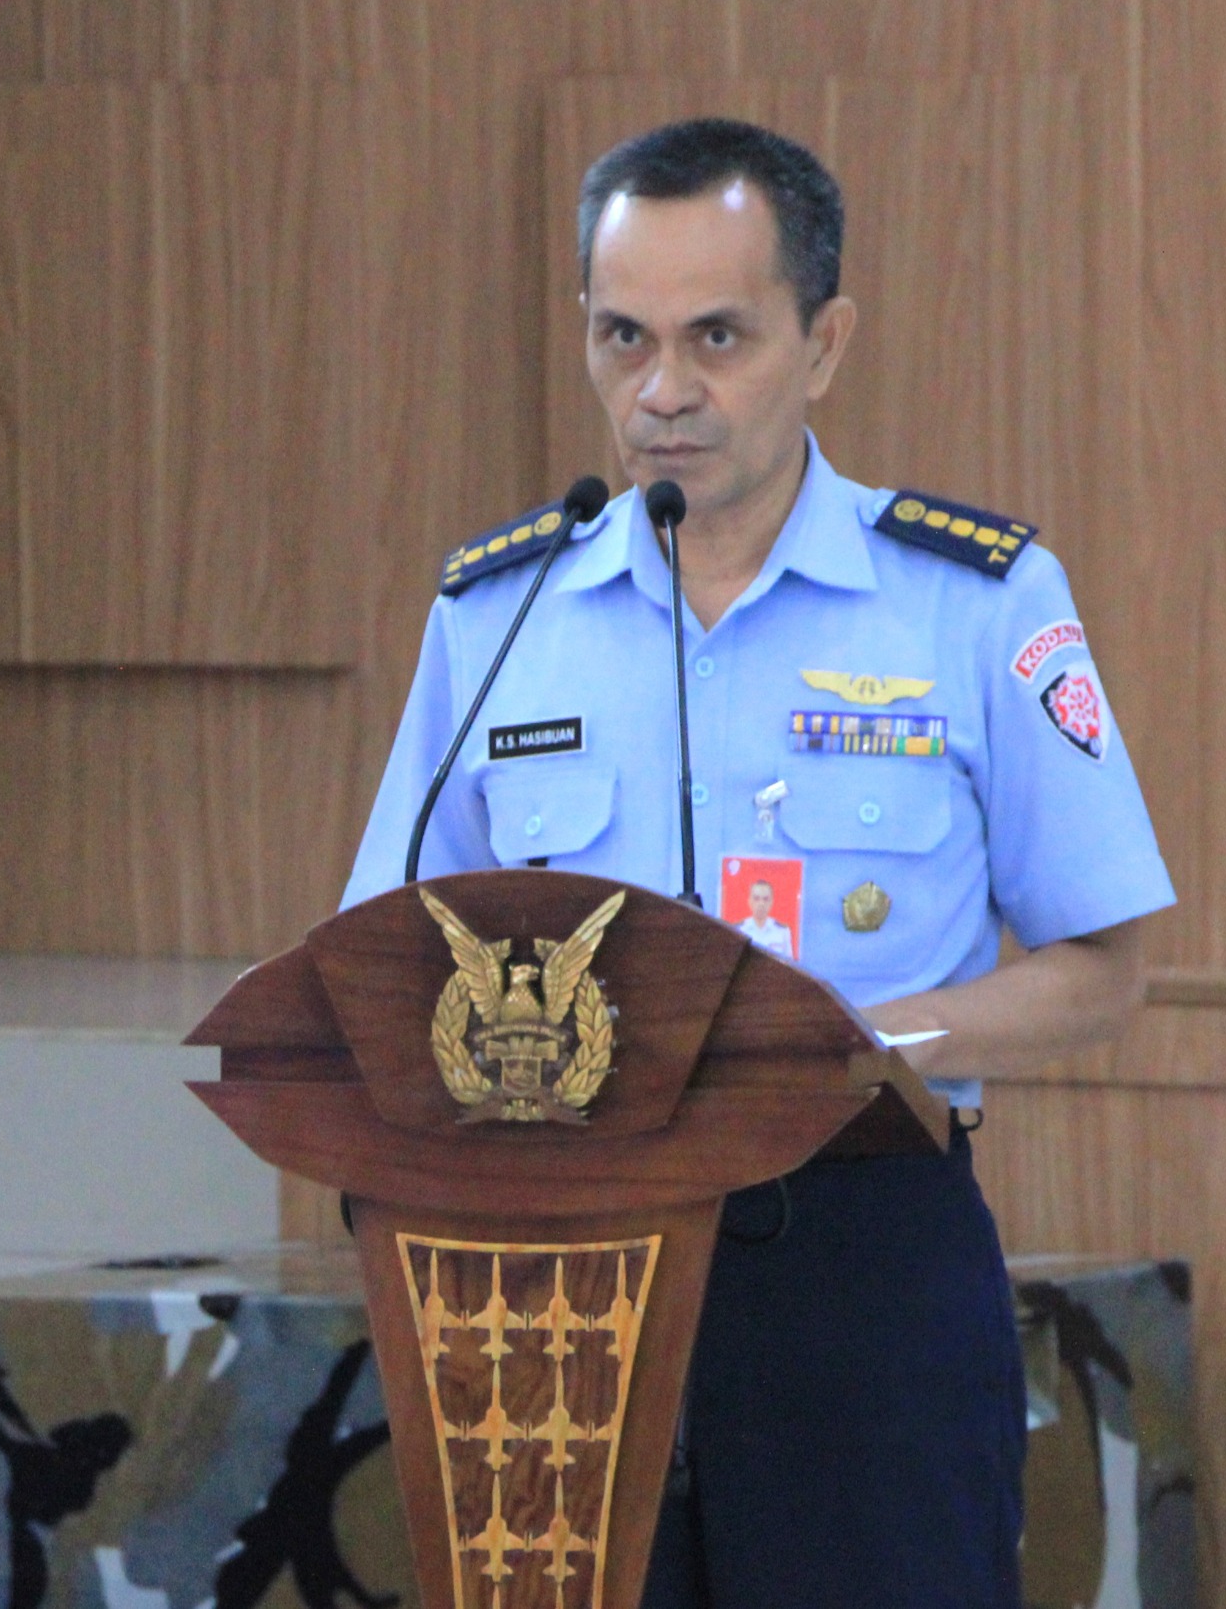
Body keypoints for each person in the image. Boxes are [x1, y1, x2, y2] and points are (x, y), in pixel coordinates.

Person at [341, 118, 1174, 1608]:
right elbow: (385, 956)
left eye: (715, 337)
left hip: (856, 1260)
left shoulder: (970, 601)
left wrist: (864, 1038)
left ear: (824, 343)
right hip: (553, 1279)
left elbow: (1104, 968)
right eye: (624, 337)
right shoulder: (500, 614)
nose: (663, 390)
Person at [736, 876, 793, 956]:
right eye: (756, 899)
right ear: (750, 902)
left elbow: (788, 962)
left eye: (765, 899)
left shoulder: (782, 932)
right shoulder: (738, 930)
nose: (761, 904)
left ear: (771, 902)